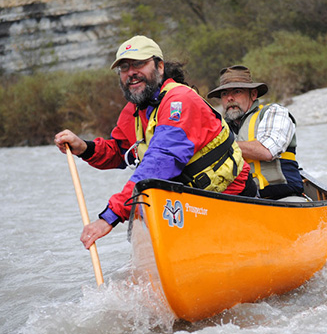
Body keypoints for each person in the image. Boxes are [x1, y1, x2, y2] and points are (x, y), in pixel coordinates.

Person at [55, 36, 256, 249]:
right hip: (192, 205)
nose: (131, 73)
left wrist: (110, 216)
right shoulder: (133, 112)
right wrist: (84, 148)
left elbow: (161, 162)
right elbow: (120, 151)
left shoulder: (180, 100)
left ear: (160, 67)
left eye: (139, 64)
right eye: (124, 67)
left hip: (233, 198)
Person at [207, 65, 304, 200]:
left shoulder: (274, 112)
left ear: (253, 94)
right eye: (224, 94)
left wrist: (220, 144)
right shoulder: (219, 127)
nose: (229, 98)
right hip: (241, 202)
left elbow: (267, 151)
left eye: (237, 91)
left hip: (283, 198)